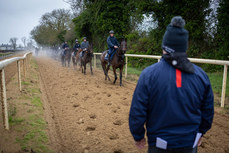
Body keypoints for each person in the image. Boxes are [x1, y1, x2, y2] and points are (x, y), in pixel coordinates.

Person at [129, 16, 214, 153]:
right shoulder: (201, 76)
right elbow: (208, 111)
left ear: (164, 46)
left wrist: (138, 136)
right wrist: (201, 132)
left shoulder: (148, 74)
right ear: (184, 48)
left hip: (159, 145)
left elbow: (138, 111)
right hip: (189, 144)